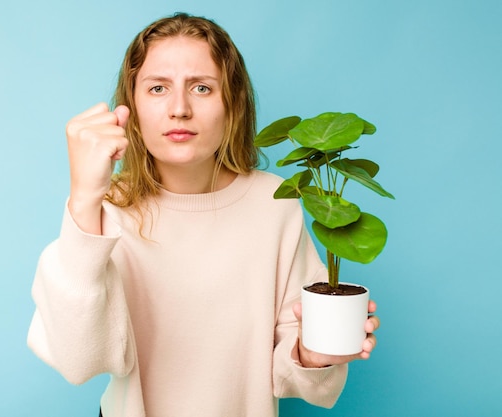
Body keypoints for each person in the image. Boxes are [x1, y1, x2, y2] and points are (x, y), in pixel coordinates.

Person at [27, 12, 380, 417]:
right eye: (158, 88)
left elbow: (290, 371)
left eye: (201, 87)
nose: (179, 108)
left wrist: (312, 354)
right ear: (133, 108)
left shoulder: (275, 202)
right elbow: (78, 361)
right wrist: (85, 198)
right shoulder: (106, 207)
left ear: (232, 104)